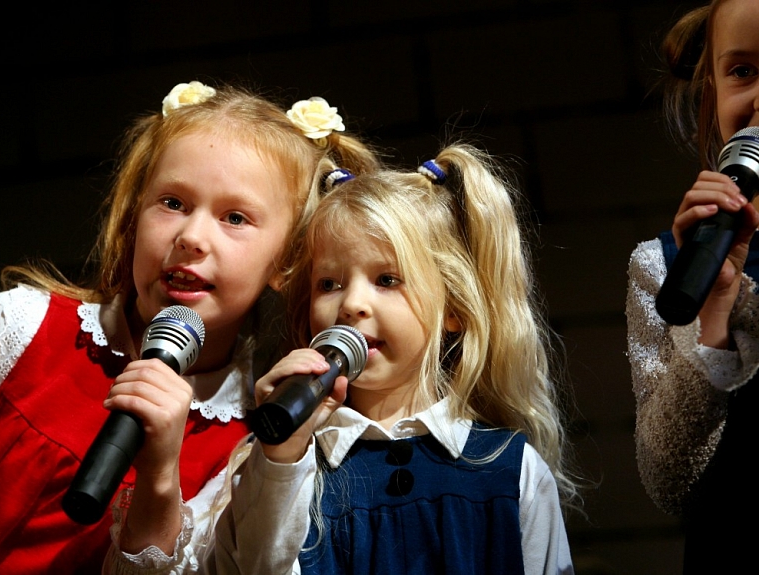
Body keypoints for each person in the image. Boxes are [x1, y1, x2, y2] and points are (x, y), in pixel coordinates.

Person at [0, 80, 379, 574]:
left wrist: (158, 477)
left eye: (234, 217)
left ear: (286, 263)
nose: (192, 237)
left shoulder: (247, 448)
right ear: (134, 217)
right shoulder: (20, 326)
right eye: (172, 203)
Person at [202, 144, 580, 574]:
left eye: (387, 279)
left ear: (453, 309)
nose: (353, 304)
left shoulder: (510, 471)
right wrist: (281, 458)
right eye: (329, 283)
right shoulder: (283, 462)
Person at [626, 0, 759, 571]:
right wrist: (715, 319)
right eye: (742, 71)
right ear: (711, 92)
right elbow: (667, 479)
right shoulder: (665, 264)